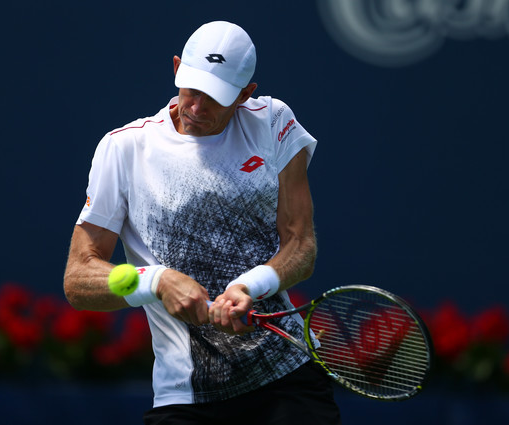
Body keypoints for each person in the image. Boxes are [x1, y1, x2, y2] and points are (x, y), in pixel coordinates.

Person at [63, 21, 341, 424]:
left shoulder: (273, 123)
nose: (196, 107)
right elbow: (78, 277)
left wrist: (250, 286)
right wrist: (155, 281)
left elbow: (301, 245)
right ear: (177, 68)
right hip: (186, 394)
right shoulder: (124, 148)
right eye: (191, 90)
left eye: (214, 98)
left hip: (286, 377)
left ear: (247, 93)